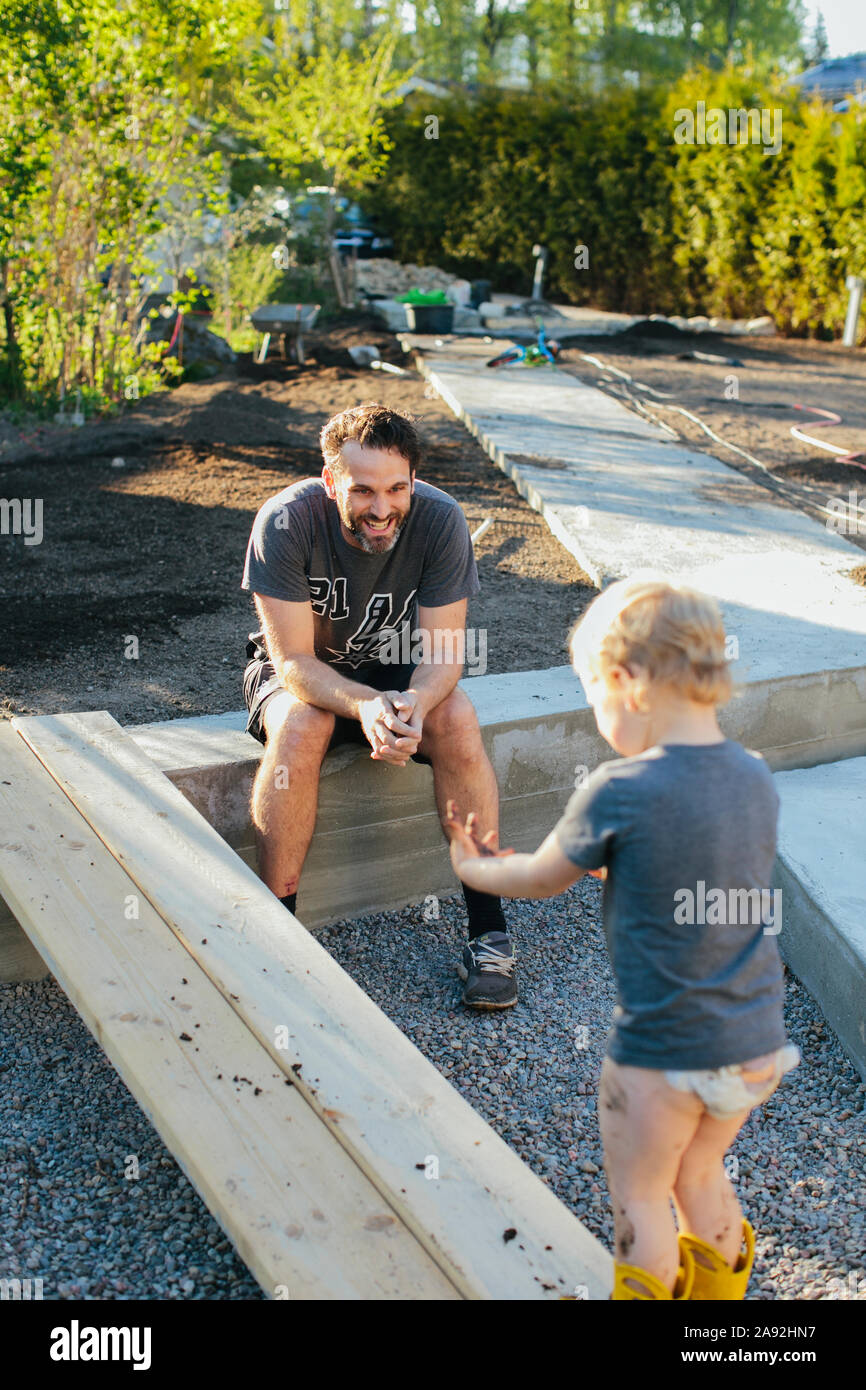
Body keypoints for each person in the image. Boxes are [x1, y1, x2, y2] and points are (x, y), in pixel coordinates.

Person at [444, 576, 799, 1299]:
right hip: (755, 1041)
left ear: (628, 681)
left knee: (640, 1195)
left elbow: (544, 879)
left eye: (594, 696)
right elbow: (708, 879)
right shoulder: (755, 778)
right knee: (700, 1174)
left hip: (665, 1050)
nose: (599, 717)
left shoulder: (619, 788)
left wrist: (472, 865)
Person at [241, 401, 518, 1008]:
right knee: (303, 724)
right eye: (362, 490)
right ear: (331, 478)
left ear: (414, 480)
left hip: (398, 675)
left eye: (397, 488)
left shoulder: (441, 520)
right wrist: (367, 706)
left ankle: (489, 933)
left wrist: (412, 704)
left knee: (457, 715)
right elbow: (292, 662)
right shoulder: (285, 522)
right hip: (307, 675)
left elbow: (444, 658)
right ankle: (278, 930)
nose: (381, 507)